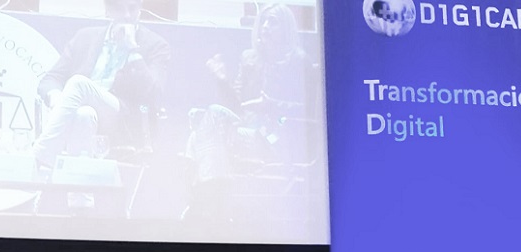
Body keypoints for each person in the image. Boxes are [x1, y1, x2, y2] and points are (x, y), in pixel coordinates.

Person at [184, 3, 314, 221]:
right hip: (245, 133)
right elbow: (238, 107)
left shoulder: (299, 61)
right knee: (200, 131)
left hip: (275, 139)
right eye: (263, 21)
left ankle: (206, 203)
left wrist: (271, 105)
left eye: (273, 22)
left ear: (286, 28)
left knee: (204, 130)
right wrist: (222, 81)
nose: (265, 26)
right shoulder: (249, 58)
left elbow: (309, 111)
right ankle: (214, 204)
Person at [32, 0, 170, 168]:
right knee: (84, 114)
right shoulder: (85, 37)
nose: (127, 15)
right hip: (82, 109)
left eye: (132, 8)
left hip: (122, 117)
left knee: (78, 83)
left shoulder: (155, 45)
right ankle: (79, 182)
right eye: (120, 9)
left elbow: (154, 94)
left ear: (140, 9)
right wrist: (58, 101)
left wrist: (132, 50)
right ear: (108, 10)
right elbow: (50, 79)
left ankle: (42, 154)